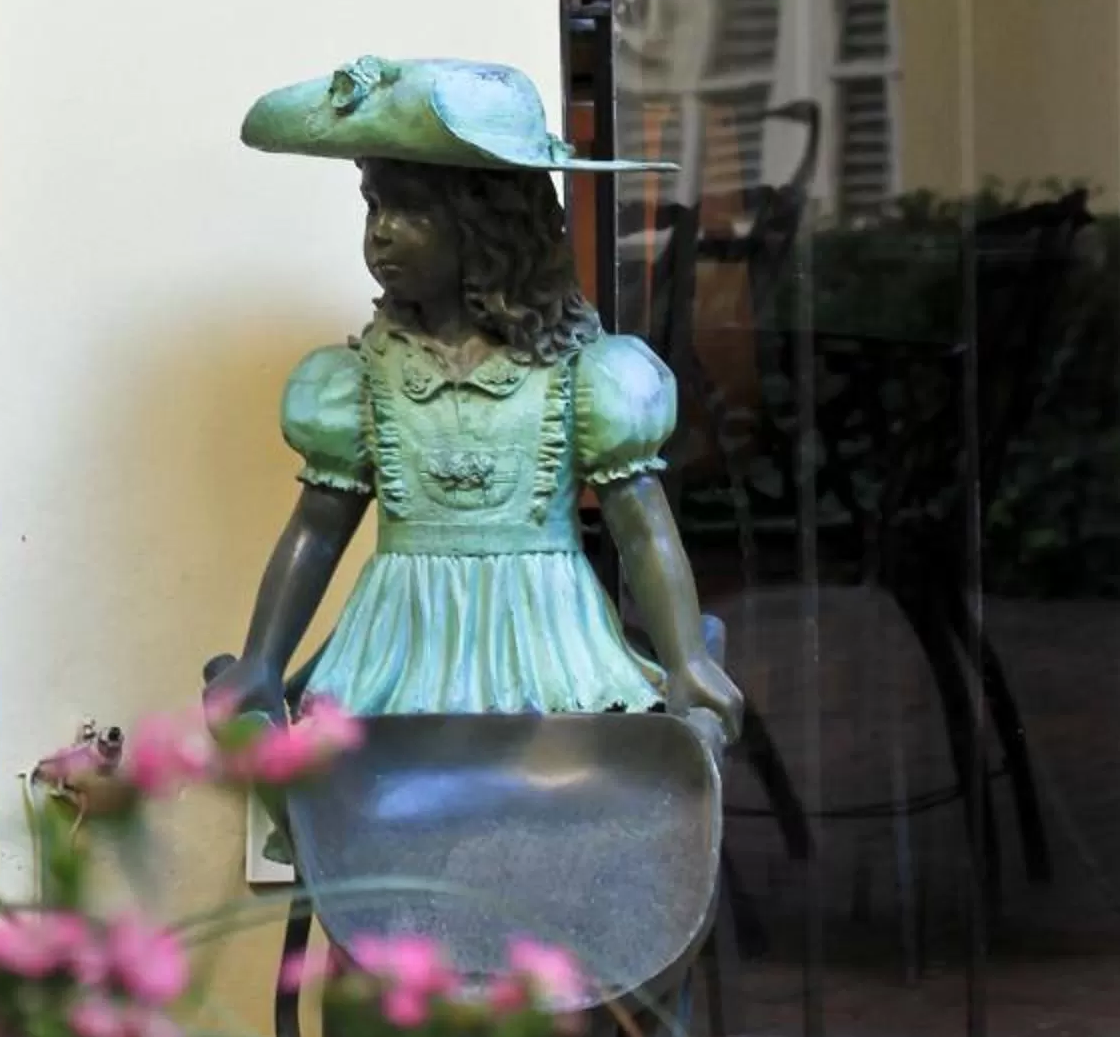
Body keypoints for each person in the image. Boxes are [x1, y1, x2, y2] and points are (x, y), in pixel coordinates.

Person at [211, 57, 742, 745]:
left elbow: (639, 525)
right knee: (388, 813)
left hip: (548, 650)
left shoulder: (583, 376)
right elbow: (317, 529)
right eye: (375, 206)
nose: (382, 231)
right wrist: (261, 660)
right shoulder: (360, 382)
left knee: (554, 810)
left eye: (413, 211)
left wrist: (687, 660)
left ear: (491, 228)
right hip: (399, 652)